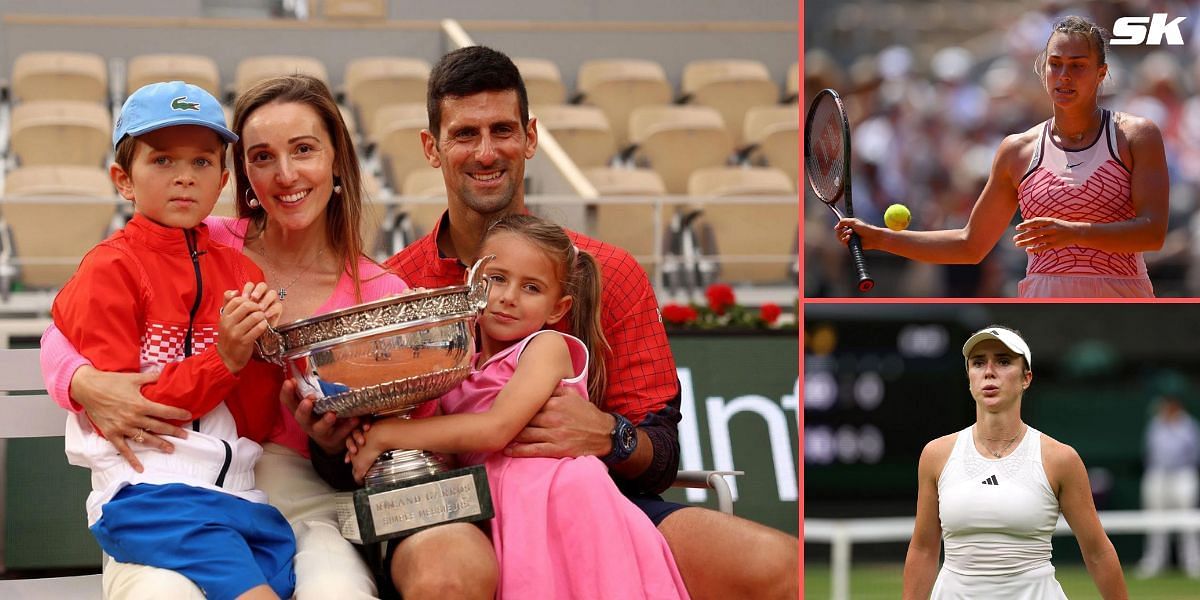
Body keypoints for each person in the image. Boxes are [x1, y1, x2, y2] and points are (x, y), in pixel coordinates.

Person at [322, 44, 796, 599]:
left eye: (502, 130)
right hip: (450, 511)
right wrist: (332, 440)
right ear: (432, 147)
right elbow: (350, 458)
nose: (486, 152)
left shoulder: (609, 271)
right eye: (465, 134)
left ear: (530, 137)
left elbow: (660, 453)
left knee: (780, 567)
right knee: (447, 578)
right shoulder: (394, 286)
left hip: (585, 502)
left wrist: (608, 436)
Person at [39, 74, 408, 599]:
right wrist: (81, 381)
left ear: (337, 161)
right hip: (164, 482)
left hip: (290, 491)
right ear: (242, 175)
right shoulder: (195, 234)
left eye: (303, 150)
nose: (284, 174)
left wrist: (330, 441)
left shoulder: (379, 290)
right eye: (261, 156)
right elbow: (70, 323)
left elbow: (386, 436)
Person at [345, 213, 689, 598]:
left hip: (562, 506)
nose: (508, 296)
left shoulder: (547, 348)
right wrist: (374, 442)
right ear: (472, 284)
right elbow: (448, 448)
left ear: (558, 309)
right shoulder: (460, 365)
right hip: (503, 510)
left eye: (531, 287)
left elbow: (496, 429)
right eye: (497, 279)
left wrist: (389, 435)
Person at [52, 80, 294, 600]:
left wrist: (261, 352)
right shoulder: (108, 268)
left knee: (285, 574)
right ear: (124, 179)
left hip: (239, 496)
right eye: (162, 160)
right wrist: (225, 357)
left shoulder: (239, 269)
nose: (185, 177)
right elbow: (130, 415)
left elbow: (254, 418)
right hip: (149, 497)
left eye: (203, 162)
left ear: (224, 178)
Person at [835, 15, 1169, 298]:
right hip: (1043, 304)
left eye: (1078, 66)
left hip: (1123, 302)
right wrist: (881, 238)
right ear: (1043, 70)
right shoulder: (1017, 150)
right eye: (1055, 64)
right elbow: (970, 244)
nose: (1064, 75)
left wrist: (1074, 232)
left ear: (1101, 73)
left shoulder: (1138, 135)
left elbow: (1152, 233)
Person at [903, 325, 1128, 599]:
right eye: (978, 363)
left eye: (1003, 361)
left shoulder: (1060, 459)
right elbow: (923, 549)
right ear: (969, 377)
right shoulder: (936, 455)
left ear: (1026, 378)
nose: (989, 371)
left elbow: (1097, 552)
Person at [1137, 395, 1200, 578]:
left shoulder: (1189, 426)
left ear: (1175, 406)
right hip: (1157, 475)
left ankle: (1192, 562)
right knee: (1154, 520)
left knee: (1187, 521)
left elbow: (1194, 454)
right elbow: (1149, 451)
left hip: (1183, 474)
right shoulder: (1155, 425)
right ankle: (1154, 562)